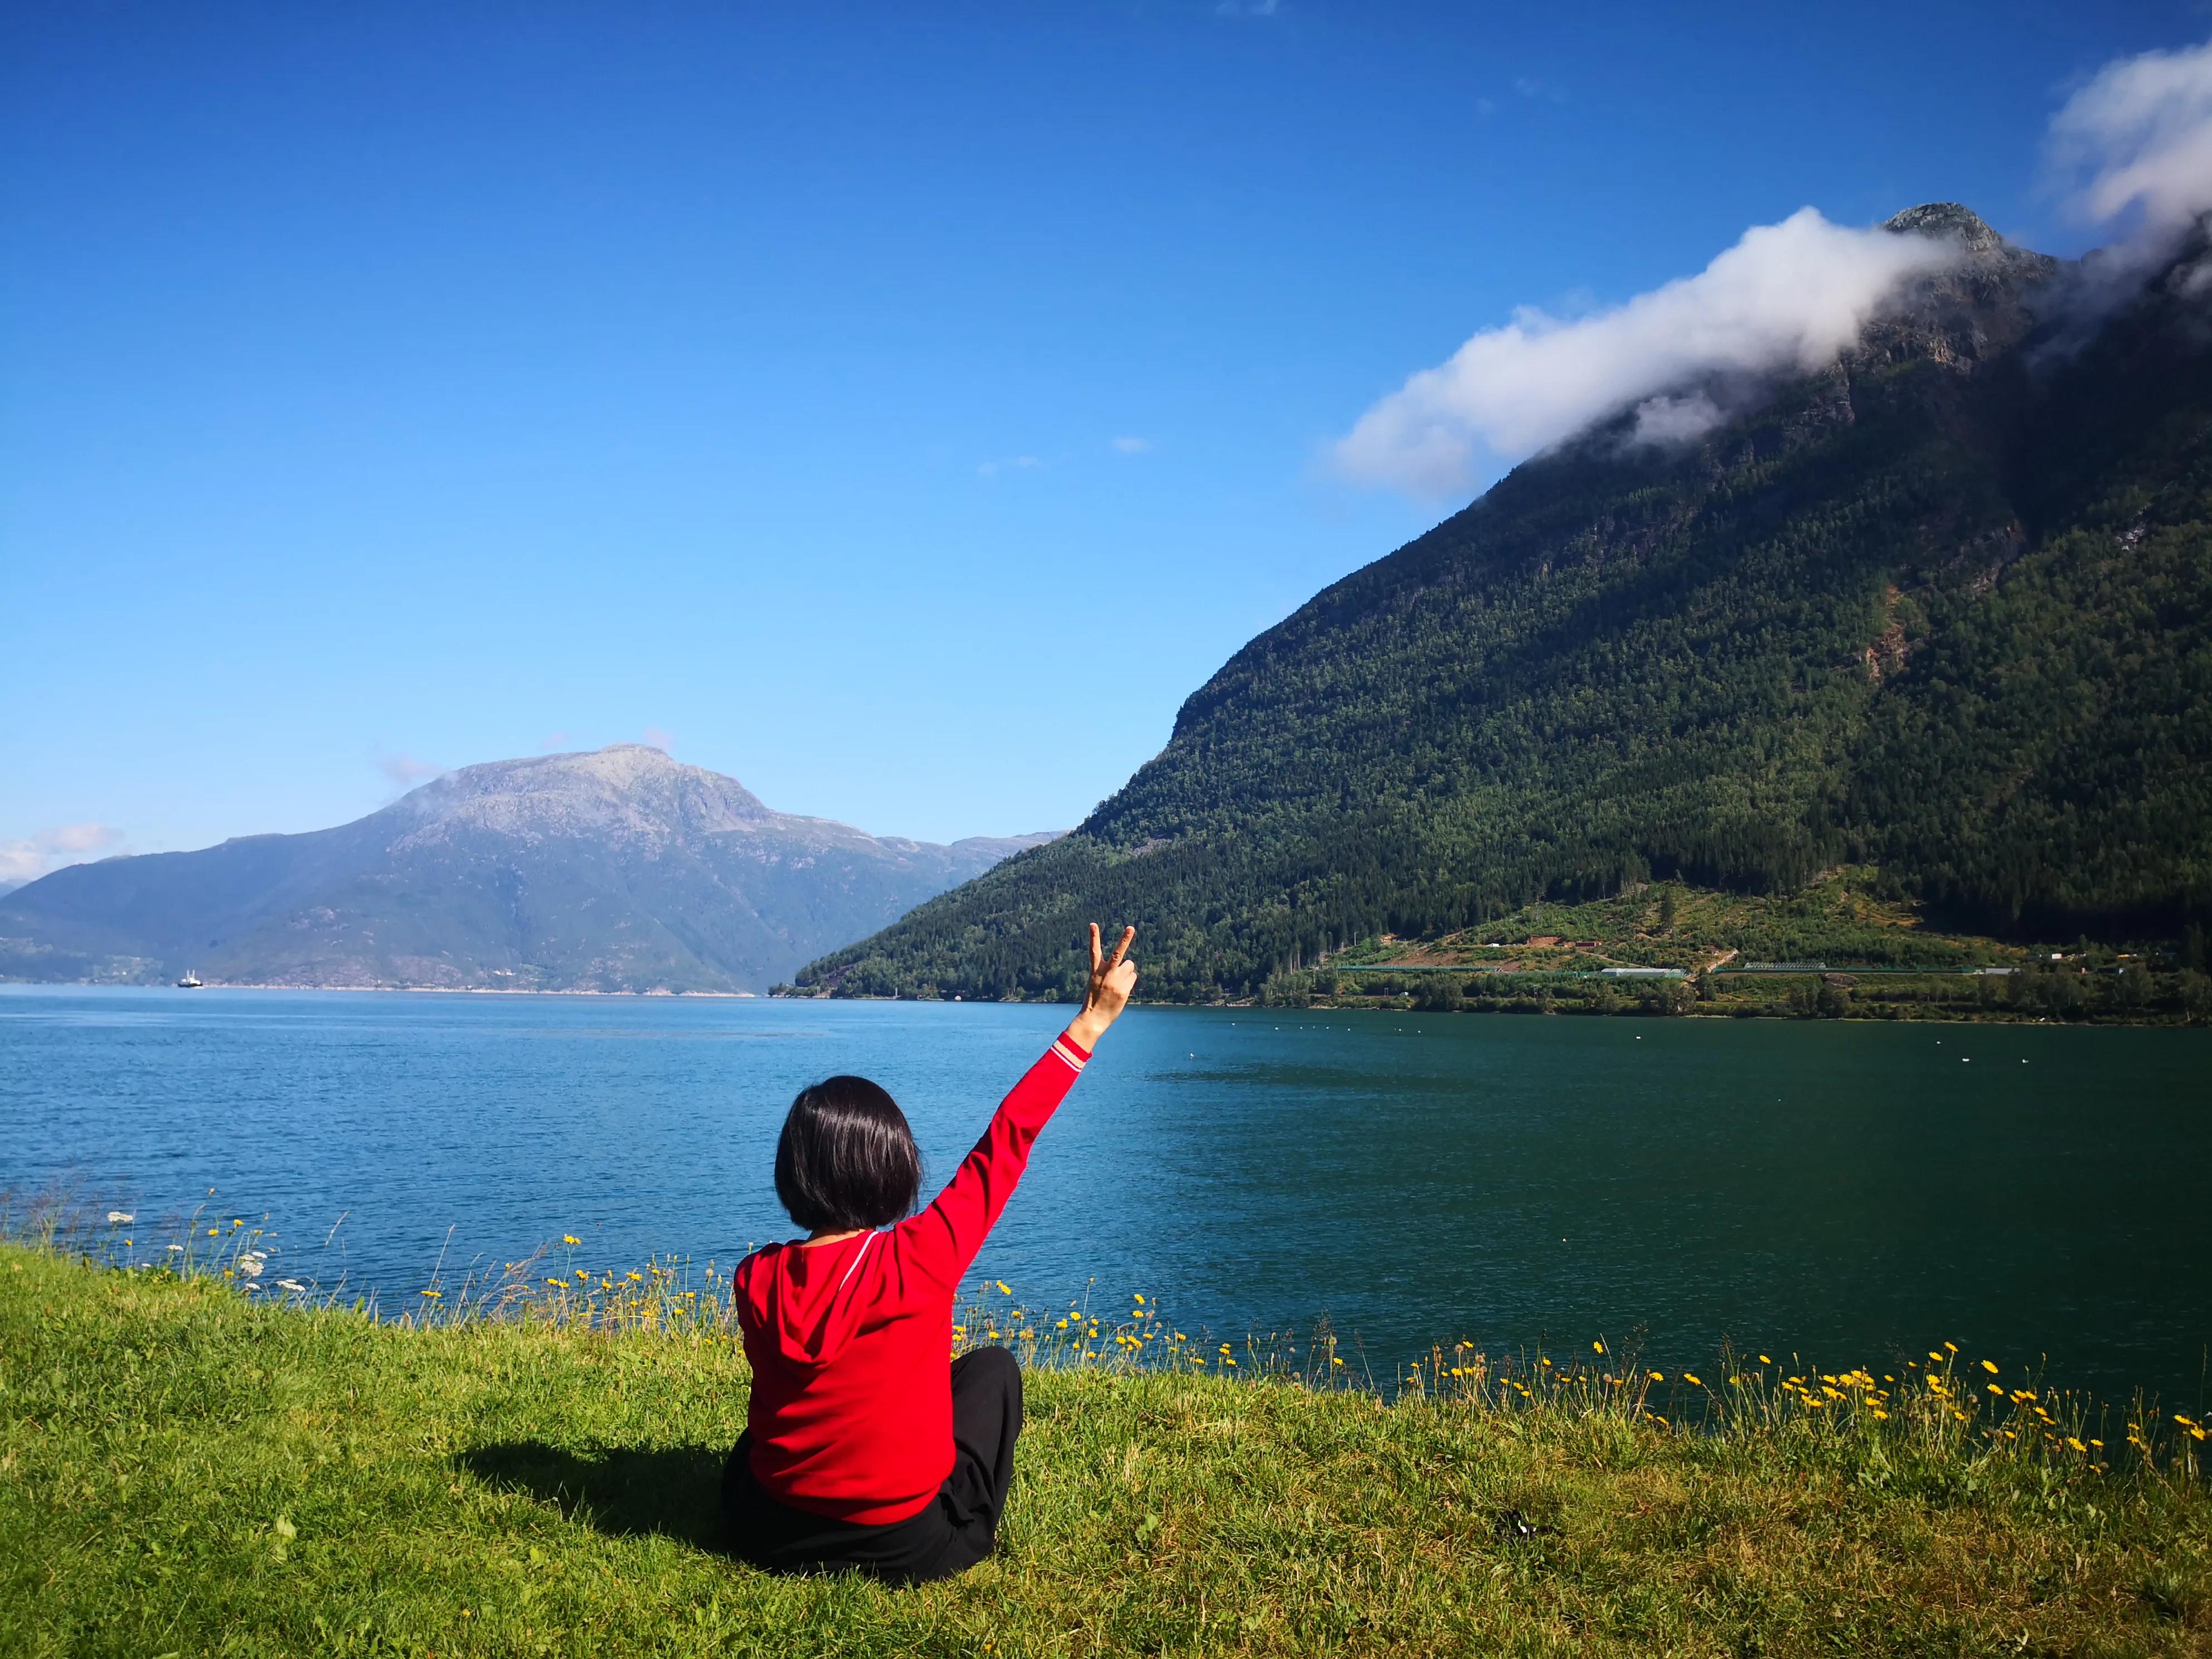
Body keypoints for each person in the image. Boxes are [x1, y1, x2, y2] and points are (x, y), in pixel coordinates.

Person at [722, 923, 1139, 1583]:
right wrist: (1088, 1024)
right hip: (904, 1544)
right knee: (991, 1370)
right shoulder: (921, 1256)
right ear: (892, 1169)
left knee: (752, 1446)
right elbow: (1006, 1140)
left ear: (793, 1171)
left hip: (768, 1530)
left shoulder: (755, 1278)